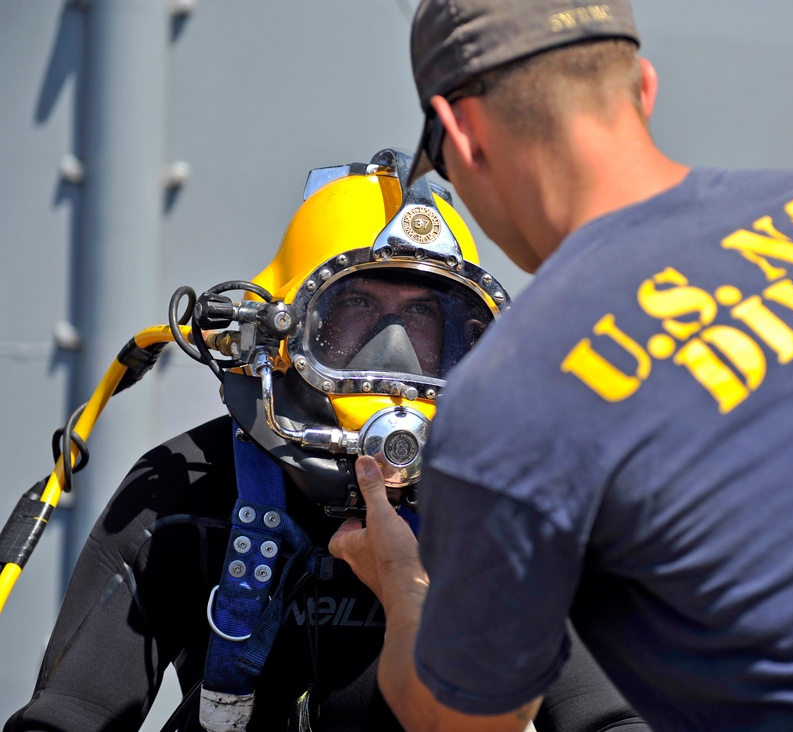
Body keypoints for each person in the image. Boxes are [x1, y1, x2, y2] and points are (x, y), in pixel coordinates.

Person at [328, 3, 793, 731]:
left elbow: (458, 721)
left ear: (461, 135)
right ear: (643, 89)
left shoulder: (522, 384)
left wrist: (406, 583)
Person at [4, 149, 648, 732]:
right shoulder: (183, 491)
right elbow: (68, 717)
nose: (389, 346)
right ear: (282, 332)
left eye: (421, 313)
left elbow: (612, 720)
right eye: (358, 307)